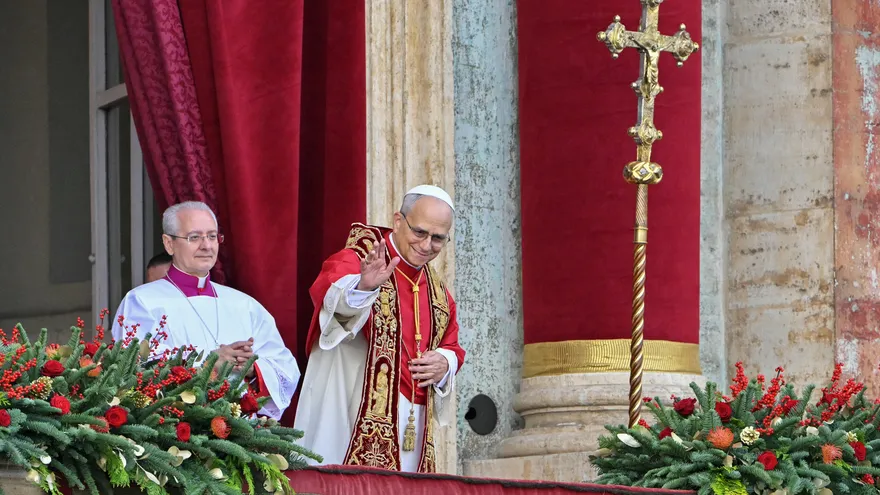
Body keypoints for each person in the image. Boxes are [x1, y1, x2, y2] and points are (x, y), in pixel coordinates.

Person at [294, 185, 466, 473]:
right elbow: (331, 303)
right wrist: (362, 287)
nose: (426, 246)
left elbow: (452, 346)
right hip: (347, 412)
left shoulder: (438, 293)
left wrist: (444, 363)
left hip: (411, 424)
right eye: (420, 232)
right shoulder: (359, 257)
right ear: (398, 221)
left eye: (438, 239)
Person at [112, 201, 300, 419]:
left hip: (241, 436)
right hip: (173, 434)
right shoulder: (142, 301)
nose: (206, 246)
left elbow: (285, 368)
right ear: (169, 243)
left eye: (212, 236)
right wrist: (209, 364)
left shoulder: (244, 305)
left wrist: (250, 368)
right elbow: (133, 369)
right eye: (194, 237)